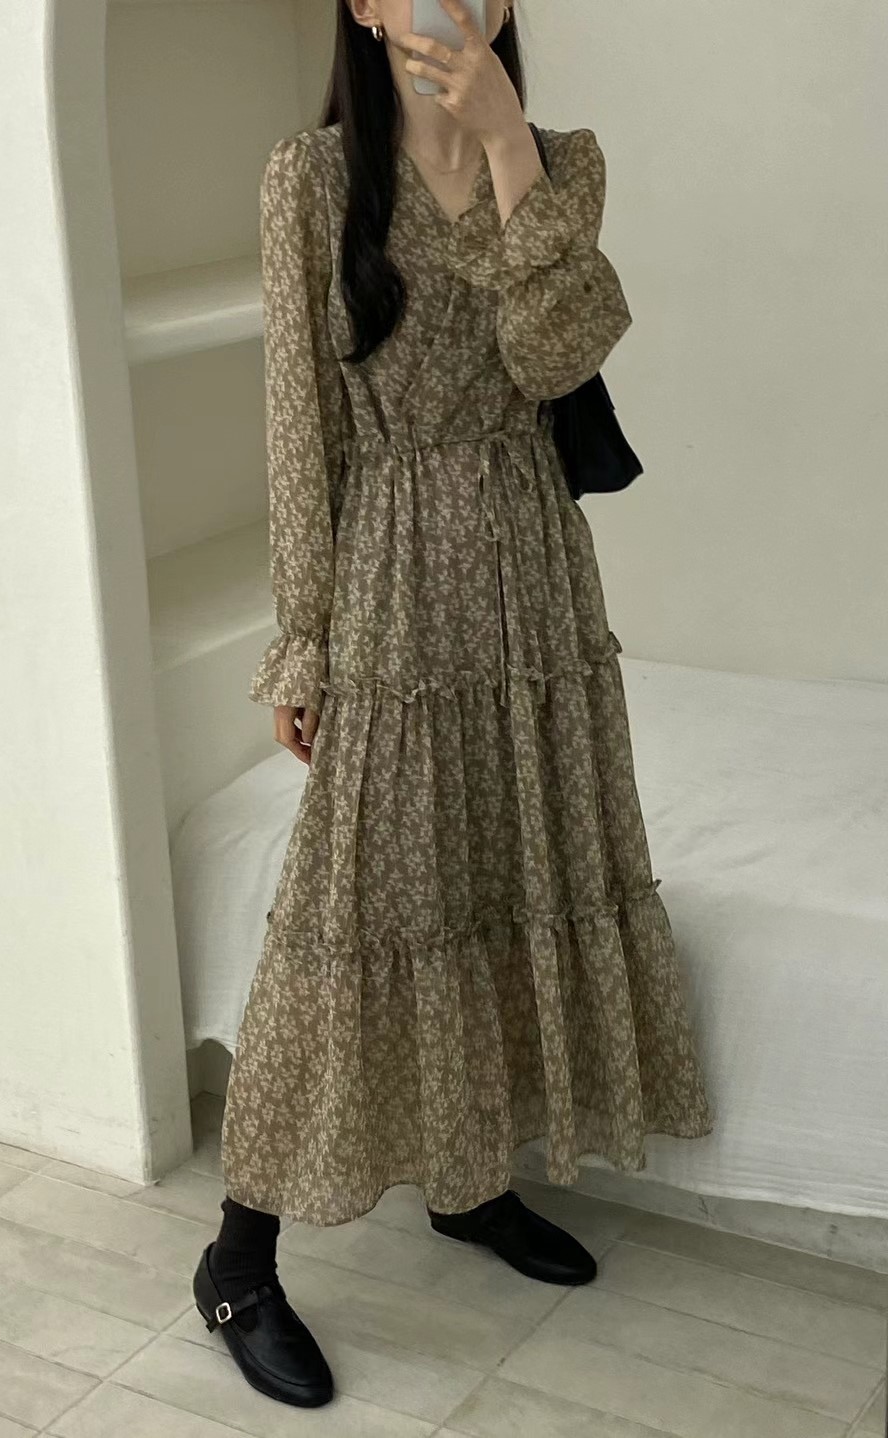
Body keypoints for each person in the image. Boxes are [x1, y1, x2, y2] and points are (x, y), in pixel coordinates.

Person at [192, 0, 714, 1407]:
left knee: (504, 869)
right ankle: (237, 1257)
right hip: (392, 582)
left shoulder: (561, 159)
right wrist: (305, 640)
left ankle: (469, 1180)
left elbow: (561, 356)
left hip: (535, 578)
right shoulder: (311, 183)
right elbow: (299, 426)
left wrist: (505, 145)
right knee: (351, 909)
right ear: (364, 5)